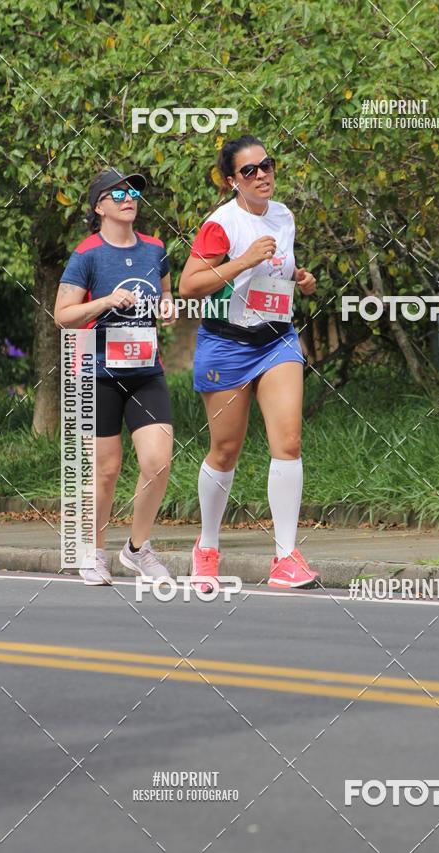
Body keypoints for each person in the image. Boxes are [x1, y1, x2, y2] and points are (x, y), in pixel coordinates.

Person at [179, 135, 320, 589]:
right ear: (231, 181)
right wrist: (241, 261)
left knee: (290, 441)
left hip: (277, 339)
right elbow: (190, 286)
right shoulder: (222, 224)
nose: (262, 175)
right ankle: (207, 547)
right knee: (225, 450)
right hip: (227, 344)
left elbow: (276, 273)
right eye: (249, 171)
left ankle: (285, 557)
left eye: (267, 166)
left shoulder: (283, 216)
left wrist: (299, 278)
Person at [55, 167, 174, 585]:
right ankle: (94, 552)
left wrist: (168, 307)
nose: (129, 198)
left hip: (145, 370)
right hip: (96, 370)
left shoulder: (156, 249)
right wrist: (104, 301)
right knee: (105, 471)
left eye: (134, 192)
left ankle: (137, 550)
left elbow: (166, 291)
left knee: (158, 463)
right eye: (118, 193)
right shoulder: (86, 254)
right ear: (99, 206)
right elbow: (63, 316)